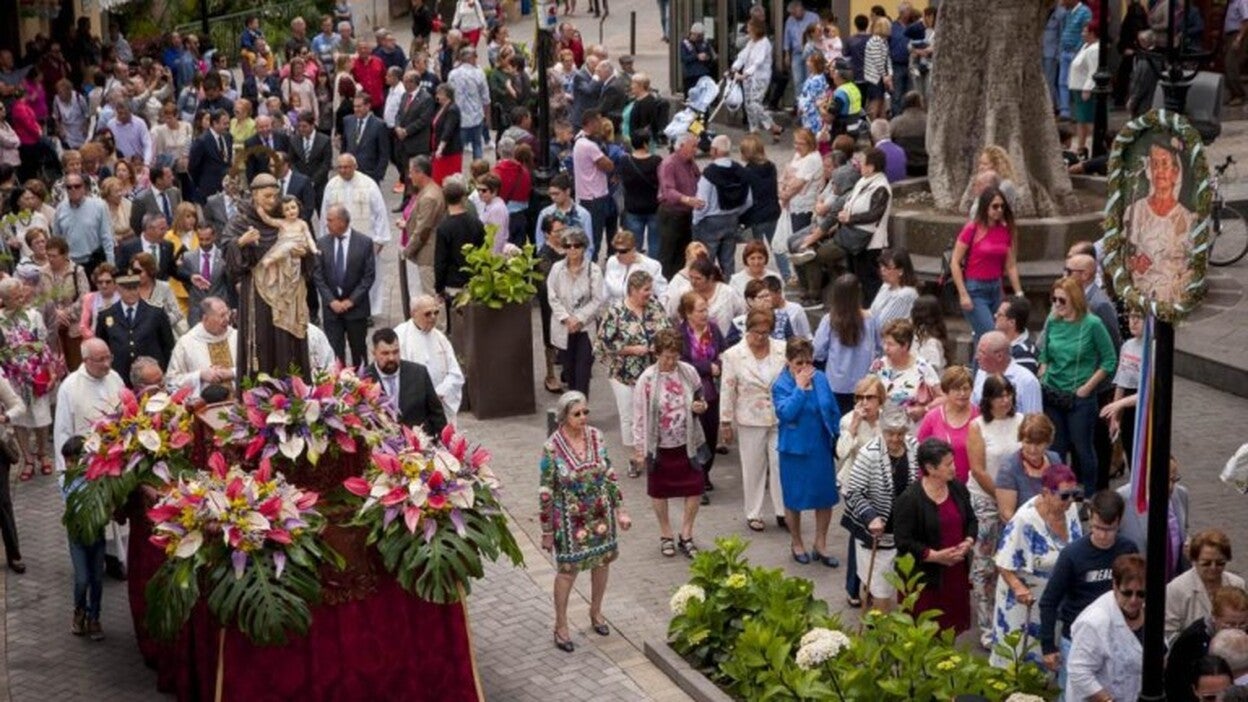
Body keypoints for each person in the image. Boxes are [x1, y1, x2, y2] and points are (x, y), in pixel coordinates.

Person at [540, 390, 632, 652]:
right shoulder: (552, 447)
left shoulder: (597, 437)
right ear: (564, 416)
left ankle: (596, 612)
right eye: (576, 413)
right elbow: (545, 491)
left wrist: (620, 510)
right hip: (569, 520)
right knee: (568, 571)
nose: (582, 417)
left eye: (585, 412)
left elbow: (610, 474)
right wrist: (547, 530)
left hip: (600, 515)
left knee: (602, 563)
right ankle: (561, 624)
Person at [990, 463, 1083, 667]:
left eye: (1074, 494)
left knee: (1053, 655)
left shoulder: (1070, 508)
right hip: (1025, 604)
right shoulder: (1025, 519)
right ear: (1046, 493)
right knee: (1021, 660)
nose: (1070, 501)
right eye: (1064, 496)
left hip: (1056, 599)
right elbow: (1003, 562)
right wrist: (1018, 587)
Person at [632, 329, 709, 559]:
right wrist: (639, 449)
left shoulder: (689, 372)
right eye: (666, 356)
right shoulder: (646, 379)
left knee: (695, 486)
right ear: (657, 353)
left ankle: (686, 534)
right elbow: (638, 416)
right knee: (659, 490)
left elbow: (700, 399)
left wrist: (700, 407)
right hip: (660, 445)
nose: (670, 361)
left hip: (687, 443)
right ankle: (665, 533)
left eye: (675, 356)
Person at [1039, 277, 1117, 496]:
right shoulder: (1053, 321)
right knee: (1057, 449)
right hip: (1053, 393)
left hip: (1079, 397)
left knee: (1083, 449)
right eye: (1053, 300)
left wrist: (1088, 386)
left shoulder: (1092, 324)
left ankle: (1091, 496)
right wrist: (1043, 372)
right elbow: (1045, 353)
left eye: (1061, 300)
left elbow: (1109, 360)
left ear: (1074, 299)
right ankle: (1060, 495)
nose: (1056, 305)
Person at [894, 437, 976, 633]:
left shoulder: (957, 488)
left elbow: (972, 520)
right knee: (926, 632)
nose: (954, 467)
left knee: (951, 629)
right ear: (930, 468)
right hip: (924, 580)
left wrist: (968, 541)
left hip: (954, 574)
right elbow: (903, 541)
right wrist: (934, 556)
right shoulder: (909, 500)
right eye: (948, 464)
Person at [773, 338, 842, 567]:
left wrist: (836, 433)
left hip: (820, 447)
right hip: (794, 451)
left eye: (808, 362)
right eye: (798, 363)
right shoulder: (781, 384)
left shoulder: (820, 378)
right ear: (788, 361)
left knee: (824, 497)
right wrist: (800, 389)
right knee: (794, 499)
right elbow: (786, 413)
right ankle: (797, 542)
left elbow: (831, 407)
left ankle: (820, 544)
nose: (804, 368)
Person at [843, 405, 918, 610]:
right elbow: (854, 491)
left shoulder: (913, 447)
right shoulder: (869, 453)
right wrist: (871, 517)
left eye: (900, 433)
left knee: (894, 585)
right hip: (875, 532)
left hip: (902, 531)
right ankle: (878, 633)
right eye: (890, 433)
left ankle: (874, 610)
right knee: (882, 591)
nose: (895, 439)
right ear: (882, 431)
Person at [596, 270, 670, 477]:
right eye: (646, 290)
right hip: (624, 374)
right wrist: (631, 349)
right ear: (633, 290)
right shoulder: (616, 311)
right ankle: (636, 456)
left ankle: (653, 453)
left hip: (653, 372)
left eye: (650, 289)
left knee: (654, 412)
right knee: (630, 415)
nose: (649, 294)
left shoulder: (655, 307)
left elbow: (667, 330)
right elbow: (602, 344)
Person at [720, 308, 787, 532]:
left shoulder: (781, 349)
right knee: (753, 467)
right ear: (748, 330)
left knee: (780, 464)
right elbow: (727, 389)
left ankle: (782, 510)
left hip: (779, 417)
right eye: (756, 332)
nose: (760, 337)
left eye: (765, 333)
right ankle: (754, 512)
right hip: (749, 418)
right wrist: (725, 421)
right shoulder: (733, 355)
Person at [950, 188, 1024, 352]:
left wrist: (1019, 293)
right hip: (975, 290)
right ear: (985, 207)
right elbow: (955, 261)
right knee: (993, 337)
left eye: (1002, 207)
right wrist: (963, 294)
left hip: (996, 289)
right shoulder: (972, 228)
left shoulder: (1005, 230)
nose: (999, 210)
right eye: (995, 206)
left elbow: (1010, 265)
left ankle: (980, 375)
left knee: (983, 339)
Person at [1065, 553, 1148, 700]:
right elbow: (1078, 671)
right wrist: (1107, 700)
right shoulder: (1094, 622)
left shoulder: (1148, 612)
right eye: (1127, 593)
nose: (1134, 600)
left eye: (1141, 594)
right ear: (1115, 585)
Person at [1122, 140, 1196, 304]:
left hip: (1170, 293)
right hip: (1139, 289)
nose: (1159, 171)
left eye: (1165, 164)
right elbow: (1123, 249)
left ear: (1175, 173)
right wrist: (1132, 262)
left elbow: (1192, 260)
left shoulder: (1185, 217)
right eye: (1155, 164)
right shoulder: (1136, 210)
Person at [319, 154, 390, 318]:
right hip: (339, 241)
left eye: (347, 167)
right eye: (340, 167)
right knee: (342, 275)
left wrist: (379, 240)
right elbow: (324, 215)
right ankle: (342, 305)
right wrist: (324, 240)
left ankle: (370, 311)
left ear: (355, 166)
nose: (343, 170)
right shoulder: (332, 185)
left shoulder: (369, 184)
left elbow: (380, 213)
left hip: (365, 242)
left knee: (367, 277)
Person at [0, 278, 57, 481]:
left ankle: (43, 454)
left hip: (35, 374)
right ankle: (28, 458)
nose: (21, 299)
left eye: (21, 294)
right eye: (16, 297)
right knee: (19, 419)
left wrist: (51, 371)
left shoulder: (33, 316)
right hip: (12, 377)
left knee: (41, 417)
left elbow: (44, 344)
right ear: (4, 299)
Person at [676, 290, 728, 501]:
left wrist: (720, 365)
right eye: (700, 310)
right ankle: (696, 481)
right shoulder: (680, 334)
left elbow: (725, 355)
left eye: (706, 309)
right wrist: (708, 367)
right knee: (693, 436)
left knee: (709, 434)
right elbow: (681, 363)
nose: (705, 314)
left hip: (712, 393)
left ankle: (705, 473)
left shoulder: (714, 330)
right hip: (689, 393)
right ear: (688, 313)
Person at [312, 203, 375, 366]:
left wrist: (351, 300)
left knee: (359, 351)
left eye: (330, 220)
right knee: (334, 352)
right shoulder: (322, 243)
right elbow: (318, 276)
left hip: (356, 309)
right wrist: (331, 301)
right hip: (332, 311)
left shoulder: (364, 242)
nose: (326, 223)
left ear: (341, 222)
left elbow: (368, 277)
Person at [547, 228, 604, 396]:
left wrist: (579, 319)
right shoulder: (557, 269)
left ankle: (582, 409)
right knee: (569, 373)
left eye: (577, 245)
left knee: (583, 373)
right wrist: (566, 319)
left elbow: (598, 300)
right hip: (563, 328)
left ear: (584, 247)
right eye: (568, 245)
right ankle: (573, 410)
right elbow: (552, 296)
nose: (572, 249)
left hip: (585, 330)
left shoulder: (594, 270)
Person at [813, 274, 881, 413]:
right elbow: (880, 347)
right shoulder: (870, 319)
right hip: (864, 382)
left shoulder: (830, 319)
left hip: (836, 383)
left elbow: (817, 350)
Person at [394, 295, 464, 425]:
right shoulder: (400, 336)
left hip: (441, 403)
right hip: (414, 406)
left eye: (436, 312)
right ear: (413, 313)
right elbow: (399, 373)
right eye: (427, 314)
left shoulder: (440, 338)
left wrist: (441, 392)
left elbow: (456, 374)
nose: (433, 317)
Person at [93, 273, 174, 386]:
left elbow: (168, 345)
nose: (132, 293)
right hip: (121, 375)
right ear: (118, 289)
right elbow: (103, 344)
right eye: (127, 289)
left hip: (150, 377)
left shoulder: (155, 312)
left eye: (135, 288)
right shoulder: (106, 314)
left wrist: (163, 371)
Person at [1168, 588, 1248, 701]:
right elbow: (1176, 683)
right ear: (1214, 618)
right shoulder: (1191, 640)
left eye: (1243, 624)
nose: (1237, 630)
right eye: (1229, 624)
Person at [1167, 530, 1247, 643]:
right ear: (1194, 560)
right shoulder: (1176, 589)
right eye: (1206, 563)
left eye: (1220, 563)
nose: (1213, 568)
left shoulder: (1237, 583)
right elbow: (1168, 634)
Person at [364, 327, 446, 435]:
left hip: (420, 444)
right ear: (374, 353)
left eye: (395, 352)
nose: (391, 358)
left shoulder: (419, 373)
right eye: (385, 353)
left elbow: (437, 414)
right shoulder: (362, 381)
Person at [692, 135, 751, 276]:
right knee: (728, 261)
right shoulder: (740, 170)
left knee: (706, 261)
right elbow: (749, 200)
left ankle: (707, 290)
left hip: (710, 221)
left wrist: (696, 220)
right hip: (732, 219)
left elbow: (702, 202)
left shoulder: (709, 173)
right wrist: (737, 213)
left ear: (715, 151)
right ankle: (729, 288)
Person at [871, 318, 943, 426]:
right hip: (885, 427)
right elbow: (865, 393)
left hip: (913, 428)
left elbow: (942, 398)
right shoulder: (879, 366)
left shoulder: (922, 367)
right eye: (884, 343)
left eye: (891, 344)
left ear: (905, 346)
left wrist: (924, 409)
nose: (885, 348)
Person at [996, 413, 1063, 522]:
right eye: (1028, 442)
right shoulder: (1008, 468)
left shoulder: (1054, 459)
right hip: (1022, 530)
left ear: (1048, 442)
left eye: (1038, 443)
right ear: (1021, 439)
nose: (1032, 449)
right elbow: (1006, 514)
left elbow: (1062, 497)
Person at [166, 297, 236, 397]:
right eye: (222, 315)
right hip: (202, 407)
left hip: (239, 404)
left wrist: (232, 373)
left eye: (227, 313)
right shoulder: (186, 343)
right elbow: (171, 382)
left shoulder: (236, 337)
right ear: (205, 318)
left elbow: (253, 369)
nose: (227, 319)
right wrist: (199, 376)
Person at [656, 135, 702, 278]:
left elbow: (698, 179)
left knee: (685, 253)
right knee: (668, 254)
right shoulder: (669, 164)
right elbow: (668, 190)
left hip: (687, 214)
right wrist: (686, 199)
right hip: (672, 214)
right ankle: (665, 285)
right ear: (681, 146)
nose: (696, 150)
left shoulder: (690, 163)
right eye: (693, 146)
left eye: (696, 146)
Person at [52, 173, 115, 277]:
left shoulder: (99, 206)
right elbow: (57, 240)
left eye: (77, 186)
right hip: (71, 265)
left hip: (95, 262)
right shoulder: (60, 209)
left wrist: (110, 264)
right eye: (69, 187)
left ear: (84, 187)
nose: (73, 189)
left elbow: (107, 237)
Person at [666, 256, 745, 338]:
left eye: (698, 278)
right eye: (691, 277)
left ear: (710, 278)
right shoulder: (683, 293)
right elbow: (670, 315)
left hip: (723, 343)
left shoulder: (728, 293)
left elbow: (741, 314)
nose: (693, 282)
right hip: (690, 343)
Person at [733, 19, 782, 141]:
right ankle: (753, 130)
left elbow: (757, 63)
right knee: (748, 105)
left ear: (756, 29)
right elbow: (742, 57)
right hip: (748, 78)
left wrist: (745, 74)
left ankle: (773, 126)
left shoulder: (764, 43)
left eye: (749, 28)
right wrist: (734, 68)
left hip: (760, 78)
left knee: (755, 103)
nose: (747, 31)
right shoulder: (751, 43)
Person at [972, 331, 1043, 414]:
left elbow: (1034, 422)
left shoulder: (1027, 381)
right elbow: (973, 410)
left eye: (982, 353)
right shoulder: (981, 373)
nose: (977, 357)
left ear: (999, 356)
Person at [603, 230, 667, 305]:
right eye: (616, 250)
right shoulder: (612, 261)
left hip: (640, 311)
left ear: (633, 250)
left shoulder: (651, 265)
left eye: (622, 251)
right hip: (615, 310)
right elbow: (604, 293)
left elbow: (663, 294)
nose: (618, 255)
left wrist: (660, 313)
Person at [1068, 21, 1101, 158]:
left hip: (1084, 88)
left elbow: (1093, 70)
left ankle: (1097, 144)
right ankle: (1081, 146)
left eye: (1085, 31)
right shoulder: (1086, 46)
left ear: (1092, 33)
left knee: (1086, 120)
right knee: (1080, 120)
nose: (1082, 34)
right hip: (1077, 86)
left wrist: (1087, 88)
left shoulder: (1095, 49)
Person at [187, 108, 232, 204]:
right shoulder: (202, 141)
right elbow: (193, 167)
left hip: (225, 188)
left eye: (228, 123)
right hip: (207, 189)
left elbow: (227, 161)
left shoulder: (228, 137)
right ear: (215, 123)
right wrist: (202, 184)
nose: (227, 126)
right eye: (224, 124)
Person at [870, 248, 919, 329]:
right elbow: (871, 312)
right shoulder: (885, 286)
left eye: (887, 268)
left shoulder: (905, 294)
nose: (882, 270)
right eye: (881, 266)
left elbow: (882, 324)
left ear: (900, 271)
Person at [996, 295, 1039, 376]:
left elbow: (1021, 385)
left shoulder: (1024, 353)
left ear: (1012, 322)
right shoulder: (1000, 342)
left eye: (1000, 315)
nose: (995, 316)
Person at [430, 83, 464, 185]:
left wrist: (440, 148)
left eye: (440, 94)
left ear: (447, 95)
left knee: (447, 181)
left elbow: (448, 130)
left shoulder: (452, 109)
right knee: (437, 179)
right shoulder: (441, 107)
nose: (437, 96)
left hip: (449, 152)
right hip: (438, 151)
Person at [679, 23, 717, 94]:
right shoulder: (685, 43)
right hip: (690, 75)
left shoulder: (705, 43)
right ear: (692, 34)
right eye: (698, 36)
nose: (700, 38)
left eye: (702, 35)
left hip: (703, 73)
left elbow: (711, 56)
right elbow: (684, 58)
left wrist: (707, 57)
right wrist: (697, 57)